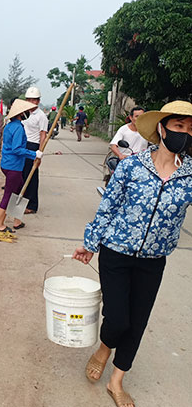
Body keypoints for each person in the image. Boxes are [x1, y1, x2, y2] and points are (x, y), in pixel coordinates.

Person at [72, 100, 192, 407]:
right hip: (117, 252)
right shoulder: (132, 165)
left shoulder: (190, 174)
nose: (185, 134)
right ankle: (103, 348)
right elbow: (107, 208)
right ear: (162, 129)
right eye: (179, 127)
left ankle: (117, 381)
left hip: (154, 259)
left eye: (191, 129)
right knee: (118, 320)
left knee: (137, 322)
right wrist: (90, 243)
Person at [0, 99, 42, 232]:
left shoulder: (9, 125)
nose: (27, 113)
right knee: (9, 194)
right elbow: (16, 149)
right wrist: (34, 154)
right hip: (13, 166)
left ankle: (17, 220)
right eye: (26, 111)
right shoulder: (18, 128)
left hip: (8, 164)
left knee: (20, 189)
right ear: (21, 113)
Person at [21, 86, 48, 214]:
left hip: (33, 145)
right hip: (23, 145)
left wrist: (40, 153)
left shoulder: (41, 116)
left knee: (31, 176)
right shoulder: (24, 113)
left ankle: (32, 205)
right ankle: (22, 201)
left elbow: (43, 135)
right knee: (22, 175)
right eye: (29, 99)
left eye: (34, 100)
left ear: (38, 101)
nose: (32, 102)